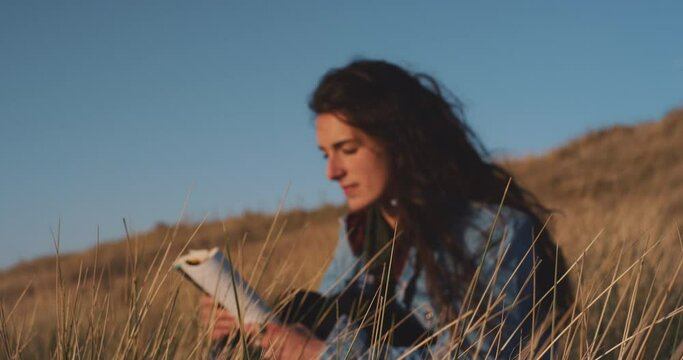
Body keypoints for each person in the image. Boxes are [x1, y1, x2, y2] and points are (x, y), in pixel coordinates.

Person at [200, 59, 573, 359]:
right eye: (326, 154)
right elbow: (329, 326)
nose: (332, 172)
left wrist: (322, 355)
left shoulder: (496, 231)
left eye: (348, 149)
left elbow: (486, 354)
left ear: (399, 141)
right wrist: (250, 331)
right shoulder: (358, 234)